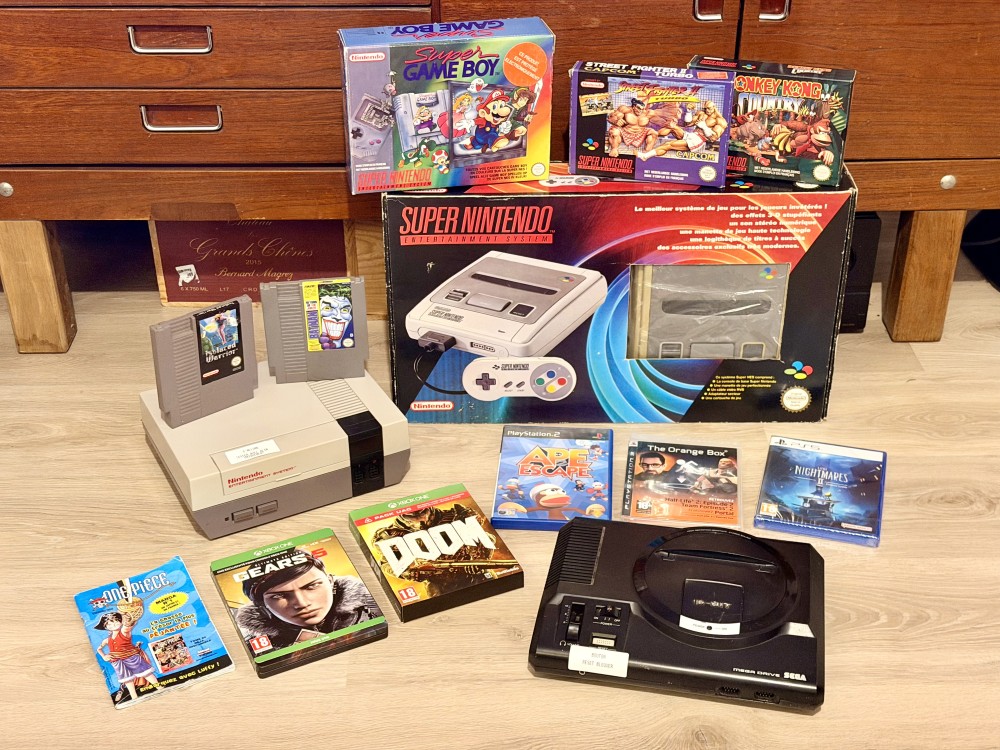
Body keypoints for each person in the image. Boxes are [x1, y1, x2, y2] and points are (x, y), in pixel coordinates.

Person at [235, 548, 382, 650]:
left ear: (330, 581)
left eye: (312, 586)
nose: (302, 603)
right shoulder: (256, 646)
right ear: (261, 606)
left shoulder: (376, 606)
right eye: (279, 596)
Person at [95, 609, 161, 705]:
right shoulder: (106, 640)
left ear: (120, 622)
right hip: (117, 661)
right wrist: (104, 656)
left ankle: (159, 687)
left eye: (115, 621)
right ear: (106, 627)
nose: (113, 624)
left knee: (145, 673)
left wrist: (130, 616)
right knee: (127, 679)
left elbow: (128, 625)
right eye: (109, 624)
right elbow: (99, 649)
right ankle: (134, 697)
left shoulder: (124, 632)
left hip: (132, 658)